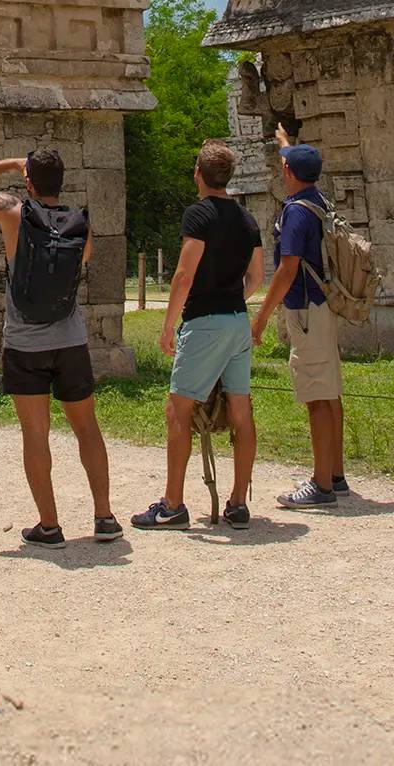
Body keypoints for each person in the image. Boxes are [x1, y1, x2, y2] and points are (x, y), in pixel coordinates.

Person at [0, 149, 123, 548]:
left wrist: (11, 165)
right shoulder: (79, 223)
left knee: (35, 433)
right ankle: (104, 516)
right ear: (61, 181)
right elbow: (82, 260)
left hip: (26, 342)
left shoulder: (15, 214)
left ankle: (49, 525)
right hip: (70, 340)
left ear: (30, 181)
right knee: (87, 429)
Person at [132, 139, 262, 531]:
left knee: (179, 409)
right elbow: (256, 277)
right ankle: (238, 502)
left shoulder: (198, 215)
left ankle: (173, 504)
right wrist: (231, 298)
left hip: (204, 321)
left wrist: (169, 323)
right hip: (238, 319)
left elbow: (185, 274)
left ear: (198, 175)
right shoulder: (246, 219)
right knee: (241, 408)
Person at [250, 127, 349, 508]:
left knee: (316, 396)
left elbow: (287, 269)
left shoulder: (295, 214)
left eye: (284, 165)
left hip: (305, 310)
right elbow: (295, 161)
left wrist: (260, 318)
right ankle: (334, 474)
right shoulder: (315, 199)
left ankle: (321, 485)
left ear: (289, 173)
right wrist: (285, 145)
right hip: (321, 306)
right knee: (330, 391)